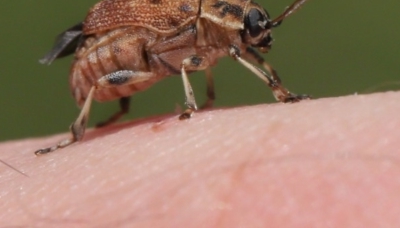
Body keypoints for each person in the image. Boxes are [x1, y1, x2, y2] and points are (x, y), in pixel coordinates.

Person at [1, 91, 399, 227]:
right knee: (104, 79)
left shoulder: (210, 33)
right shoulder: (194, 22)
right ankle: (74, 136)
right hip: (114, 54)